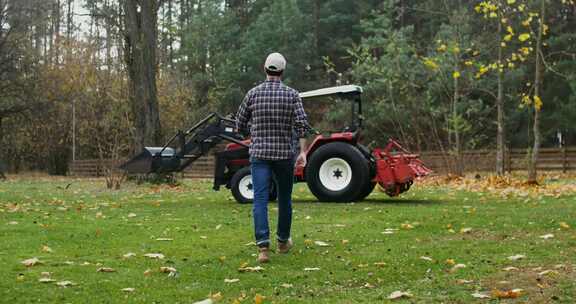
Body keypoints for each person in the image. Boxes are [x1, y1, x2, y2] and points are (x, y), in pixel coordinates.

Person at [236, 52, 310, 263]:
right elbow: (302, 126)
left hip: (259, 155)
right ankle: (282, 241)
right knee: (284, 198)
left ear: (265, 68)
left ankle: (263, 248)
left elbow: (239, 124)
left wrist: (251, 134)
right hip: (284, 156)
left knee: (259, 199)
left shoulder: (252, 94)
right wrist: (302, 152)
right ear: (283, 71)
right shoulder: (292, 95)